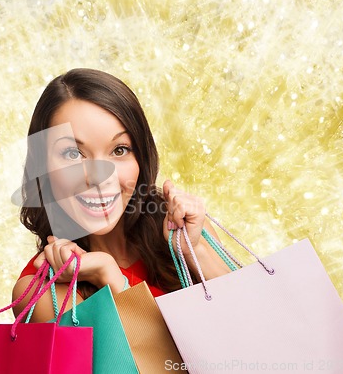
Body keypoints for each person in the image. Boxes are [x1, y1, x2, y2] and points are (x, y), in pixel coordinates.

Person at [12, 68, 231, 322]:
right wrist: (111, 277)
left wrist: (196, 252)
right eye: (73, 154)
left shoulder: (185, 231)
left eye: (119, 150)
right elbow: (163, 362)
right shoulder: (42, 292)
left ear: (141, 156)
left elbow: (258, 323)